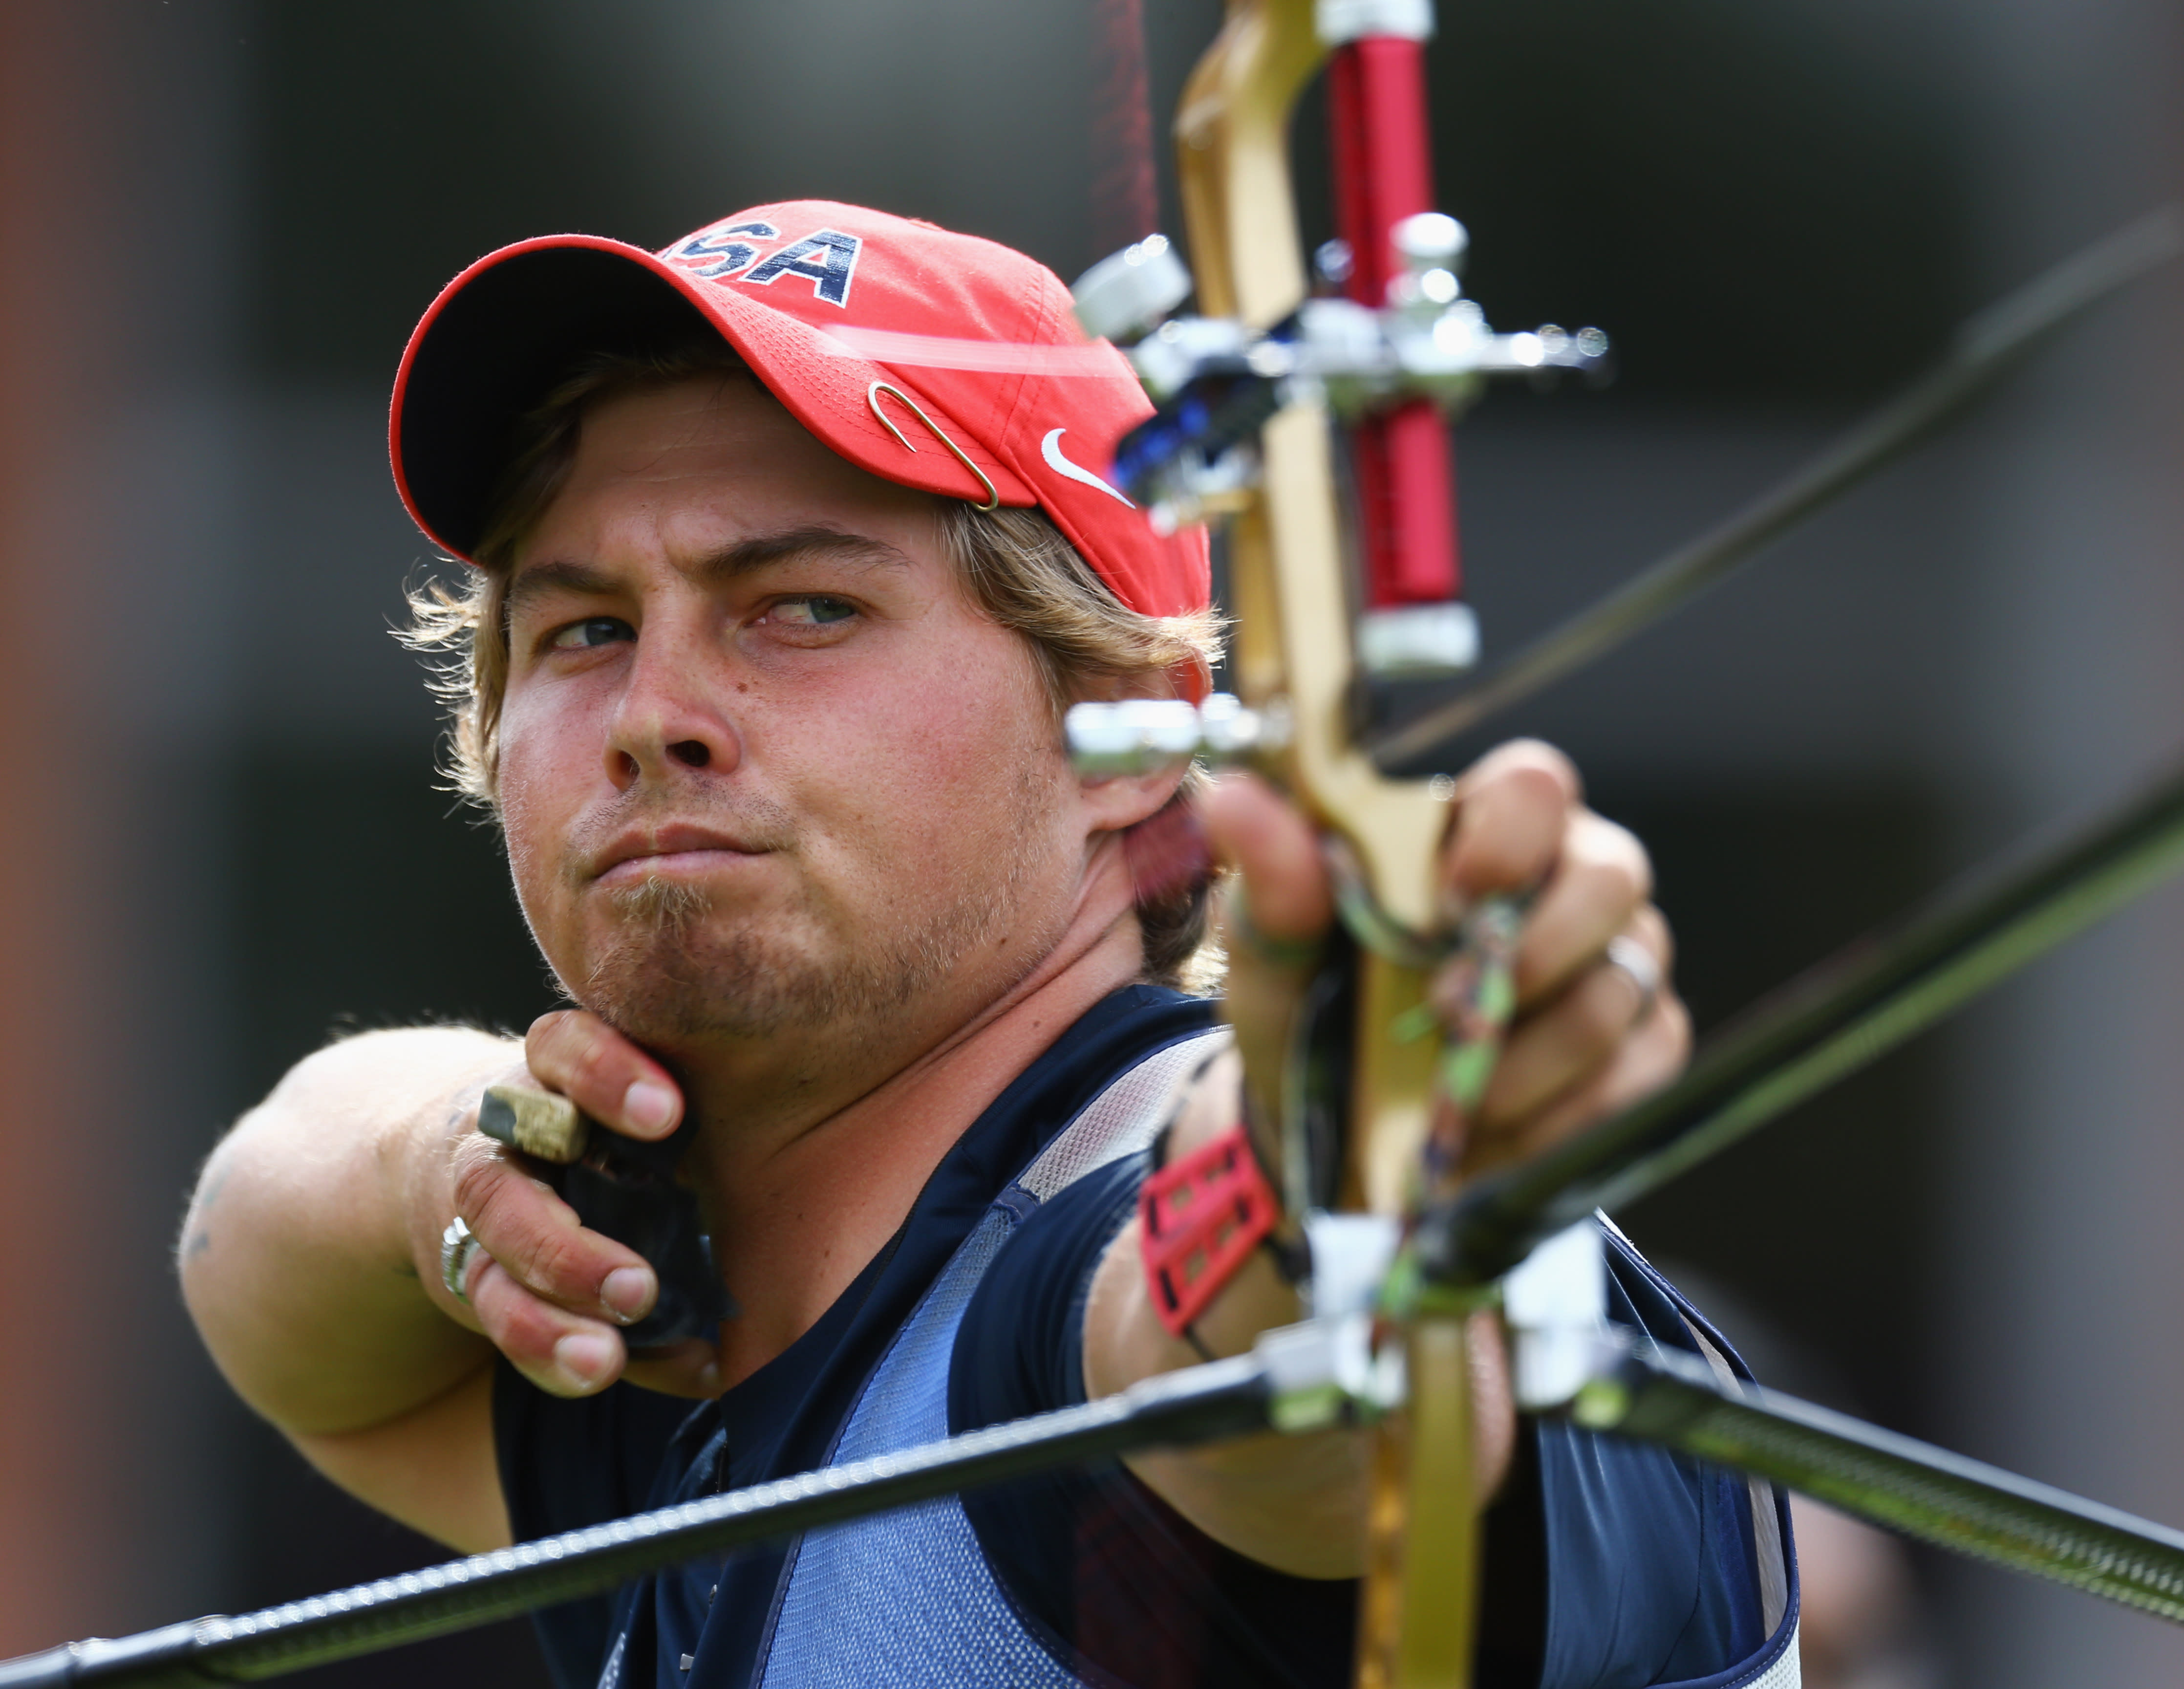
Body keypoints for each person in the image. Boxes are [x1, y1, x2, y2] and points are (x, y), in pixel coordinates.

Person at [178, 200, 1799, 1689]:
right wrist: (440, 1170)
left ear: (1135, 734)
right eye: (584, 628)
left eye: (800, 607)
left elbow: (1245, 1389)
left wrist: (1332, 1168)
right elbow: (260, 1276)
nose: (654, 715)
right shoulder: (677, 1339)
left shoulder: (1088, 1282)